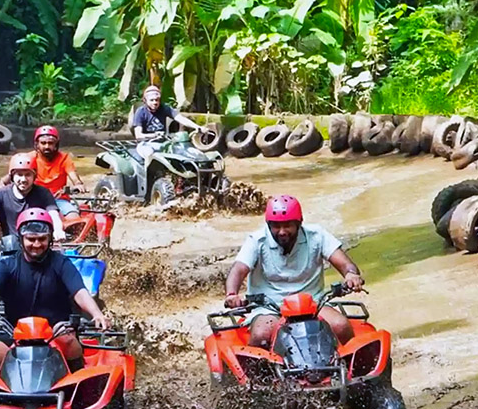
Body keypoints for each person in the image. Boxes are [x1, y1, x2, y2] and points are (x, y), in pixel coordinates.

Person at [0, 208, 109, 371]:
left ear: (50, 238)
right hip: (14, 335)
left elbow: (80, 292)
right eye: (31, 239)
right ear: (21, 239)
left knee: (69, 342)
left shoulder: (62, 264)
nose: (37, 245)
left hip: (56, 335)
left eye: (42, 239)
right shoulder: (7, 265)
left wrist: (96, 314)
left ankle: (77, 376)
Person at [224, 195, 365, 347]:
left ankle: (352, 368)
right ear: (268, 225)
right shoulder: (257, 240)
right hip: (269, 307)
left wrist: (351, 275)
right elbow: (239, 269)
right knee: (261, 336)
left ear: (299, 223)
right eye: (276, 226)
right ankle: (255, 371)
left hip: (313, 303)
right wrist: (232, 294)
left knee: (341, 326)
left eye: (287, 225)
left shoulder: (317, 236)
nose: (282, 231)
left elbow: (344, 263)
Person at [0, 153, 66, 242]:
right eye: (19, 175)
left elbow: (54, 216)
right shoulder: (0, 195)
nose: (23, 179)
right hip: (11, 246)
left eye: (28, 175)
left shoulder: (43, 193)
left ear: (34, 177)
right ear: (12, 177)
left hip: (37, 245)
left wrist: (58, 230)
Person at [0, 125, 86, 217]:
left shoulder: (64, 159)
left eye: (50, 143)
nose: (47, 146)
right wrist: (1, 185)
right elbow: (11, 177)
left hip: (58, 199)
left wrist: (78, 184)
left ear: (56, 145)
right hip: (32, 198)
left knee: (73, 216)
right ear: (37, 144)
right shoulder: (28, 158)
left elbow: (74, 177)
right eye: (43, 143)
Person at [132, 85, 208, 164]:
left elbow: (181, 119)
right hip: (146, 144)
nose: (155, 103)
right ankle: (149, 175)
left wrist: (198, 127)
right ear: (145, 100)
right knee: (150, 153)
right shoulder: (140, 112)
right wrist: (154, 135)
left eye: (157, 100)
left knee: (182, 151)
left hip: (164, 143)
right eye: (152, 100)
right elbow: (138, 135)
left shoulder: (164, 108)